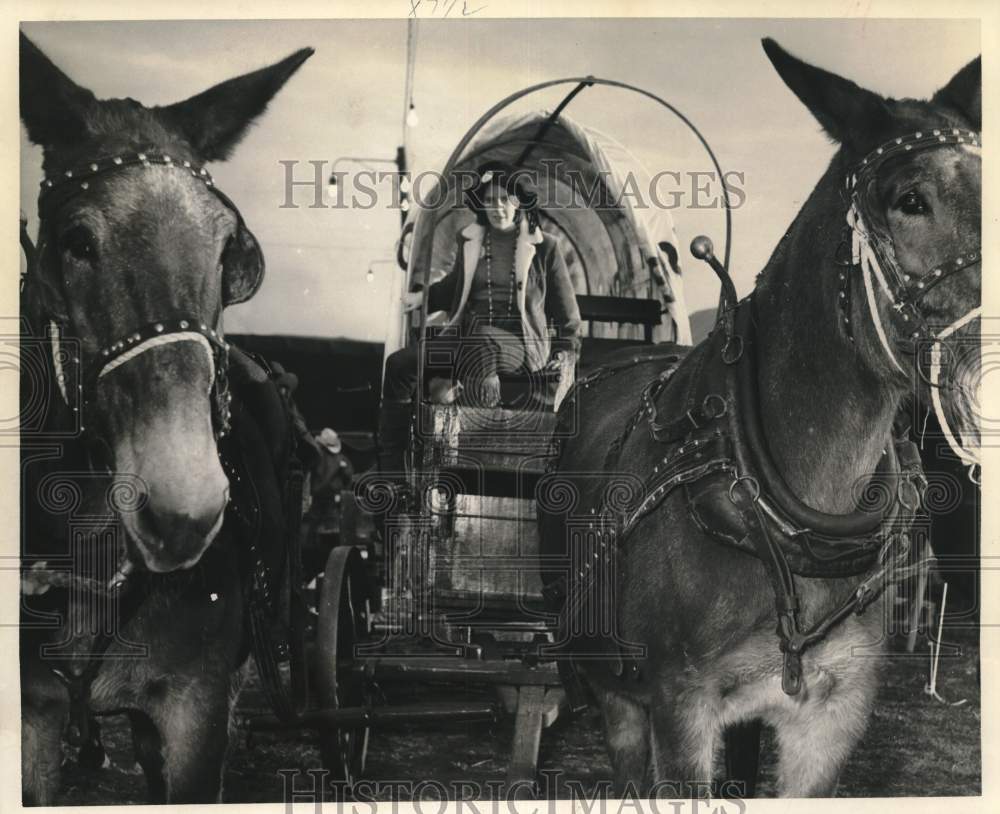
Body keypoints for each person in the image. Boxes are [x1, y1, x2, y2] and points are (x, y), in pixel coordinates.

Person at [376, 161, 582, 478]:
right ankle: (392, 471)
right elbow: (454, 285)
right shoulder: (470, 239)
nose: (498, 207)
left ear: (517, 201)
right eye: (490, 200)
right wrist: (423, 296)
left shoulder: (545, 248)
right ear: (481, 204)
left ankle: (476, 457)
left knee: (481, 340)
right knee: (399, 366)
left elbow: (567, 314)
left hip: (523, 347)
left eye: (504, 198)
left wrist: (565, 353)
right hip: (470, 341)